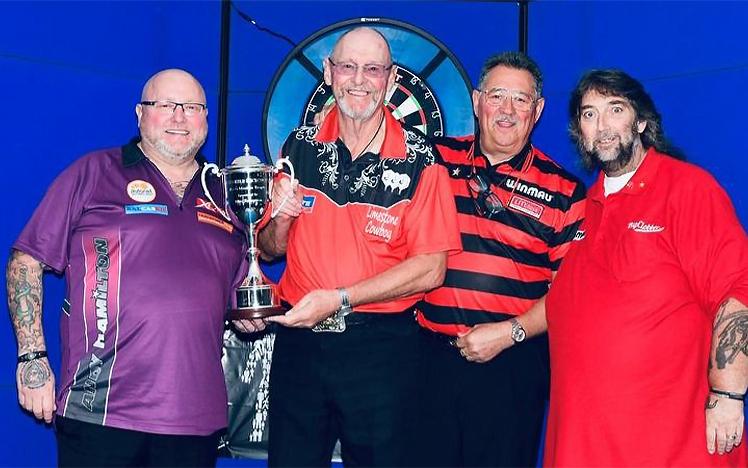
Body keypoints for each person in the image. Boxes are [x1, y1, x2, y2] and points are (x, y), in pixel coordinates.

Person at [6, 69, 255, 467]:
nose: (179, 117)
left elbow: (240, 290)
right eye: (165, 105)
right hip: (101, 410)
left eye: (191, 107)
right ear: (140, 114)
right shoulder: (93, 172)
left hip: (195, 421)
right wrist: (32, 360)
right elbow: (26, 262)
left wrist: (249, 313)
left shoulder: (225, 194)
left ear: (206, 120)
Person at [258, 27, 461, 466]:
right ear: (329, 73)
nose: (358, 79)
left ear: (391, 81)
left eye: (372, 69)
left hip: (382, 351)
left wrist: (340, 299)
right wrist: (282, 217)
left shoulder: (422, 159)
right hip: (301, 346)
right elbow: (270, 249)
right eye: (348, 66)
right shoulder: (299, 145)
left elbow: (431, 269)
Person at [544, 69, 748, 466]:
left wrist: (728, 395)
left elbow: (736, 288)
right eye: (589, 114)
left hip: (667, 443)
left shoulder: (687, 189)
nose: (601, 126)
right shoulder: (586, 208)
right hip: (584, 441)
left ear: (641, 121)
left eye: (614, 109)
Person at [414, 52, 586, 467]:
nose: (507, 110)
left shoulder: (566, 191)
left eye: (521, 100)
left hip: (512, 364)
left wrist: (509, 334)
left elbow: (571, 295)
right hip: (424, 361)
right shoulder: (430, 161)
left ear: (538, 110)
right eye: (497, 95)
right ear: (476, 101)